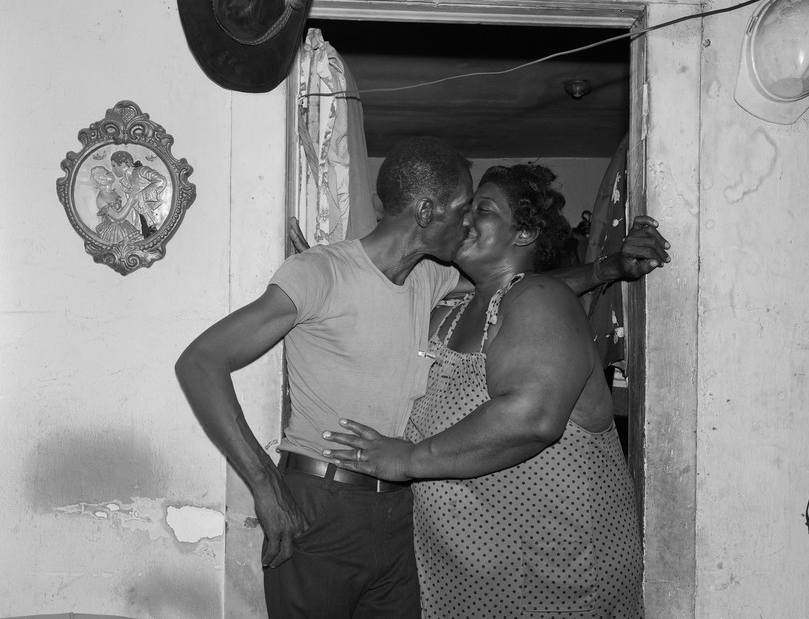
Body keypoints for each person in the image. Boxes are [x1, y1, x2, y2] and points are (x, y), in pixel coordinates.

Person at [177, 136, 669, 619]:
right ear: (429, 210)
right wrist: (263, 484)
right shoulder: (320, 272)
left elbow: (522, 285)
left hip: (403, 515)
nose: (468, 220)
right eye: (464, 208)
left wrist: (611, 267)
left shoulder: (430, 281)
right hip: (322, 502)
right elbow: (201, 362)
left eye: (482, 210)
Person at [322, 163, 666, 619]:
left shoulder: (540, 299)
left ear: (523, 232)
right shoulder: (453, 306)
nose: (462, 218)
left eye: (480, 209)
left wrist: (406, 459)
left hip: (553, 579)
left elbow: (531, 417)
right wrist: (335, 287)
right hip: (461, 577)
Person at [110, 150, 167, 237]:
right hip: (141, 221)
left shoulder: (141, 171)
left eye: (114, 166)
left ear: (124, 164)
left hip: (154, 216)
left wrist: (142, 195)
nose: (112, 170)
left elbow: (161, 180)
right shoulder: (125, 181)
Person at [90, 166, 143, 244]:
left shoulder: (112, 192)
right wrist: (131, 200)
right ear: (102, 179)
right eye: (107, 173)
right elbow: (118, 217)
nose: (111, 172)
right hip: (115, 231)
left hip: (123, 226)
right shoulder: (101, 199)